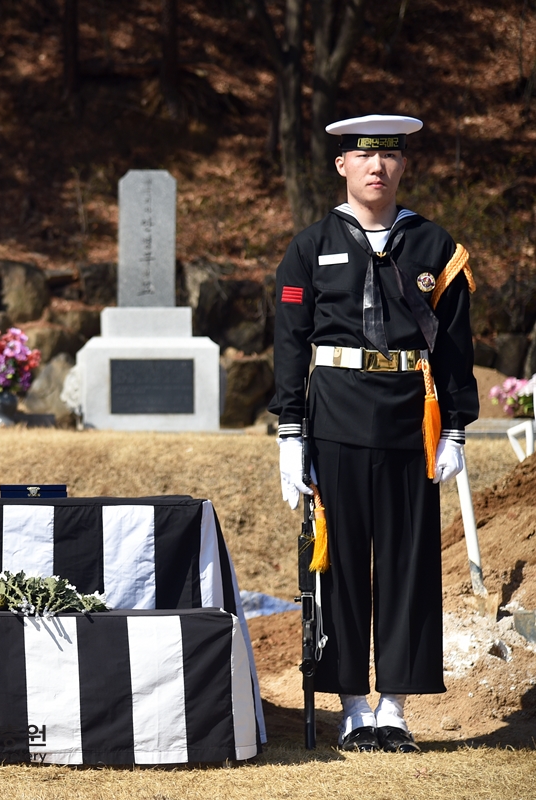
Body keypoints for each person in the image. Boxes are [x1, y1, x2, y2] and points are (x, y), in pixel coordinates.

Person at [269, 114, 476, 754]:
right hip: (334, 419)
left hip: (413, 423)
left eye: (388, 157)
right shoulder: (310, 245)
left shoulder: (435, 244)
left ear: (402, 167)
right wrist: (289, 430)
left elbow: (457, 346)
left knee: (409, 565)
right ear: (342, 166)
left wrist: (459, 431)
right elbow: (288, 342)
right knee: (339, 564)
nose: (376, 168)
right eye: (363, 157)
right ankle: (353, 706)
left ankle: (395, 707)